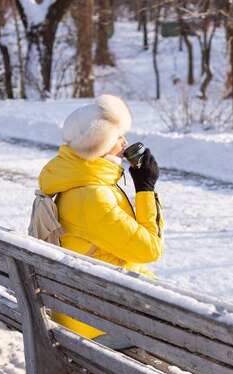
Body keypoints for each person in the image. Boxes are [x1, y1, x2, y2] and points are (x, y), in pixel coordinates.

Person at [37, 94, 164, 339]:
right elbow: (150, 250)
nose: (125, 142)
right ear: (99, 145)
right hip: (99, 324)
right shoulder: (91, 197)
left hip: (90, 307)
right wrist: (146, 189)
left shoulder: (78, 181)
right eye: (118, 137)